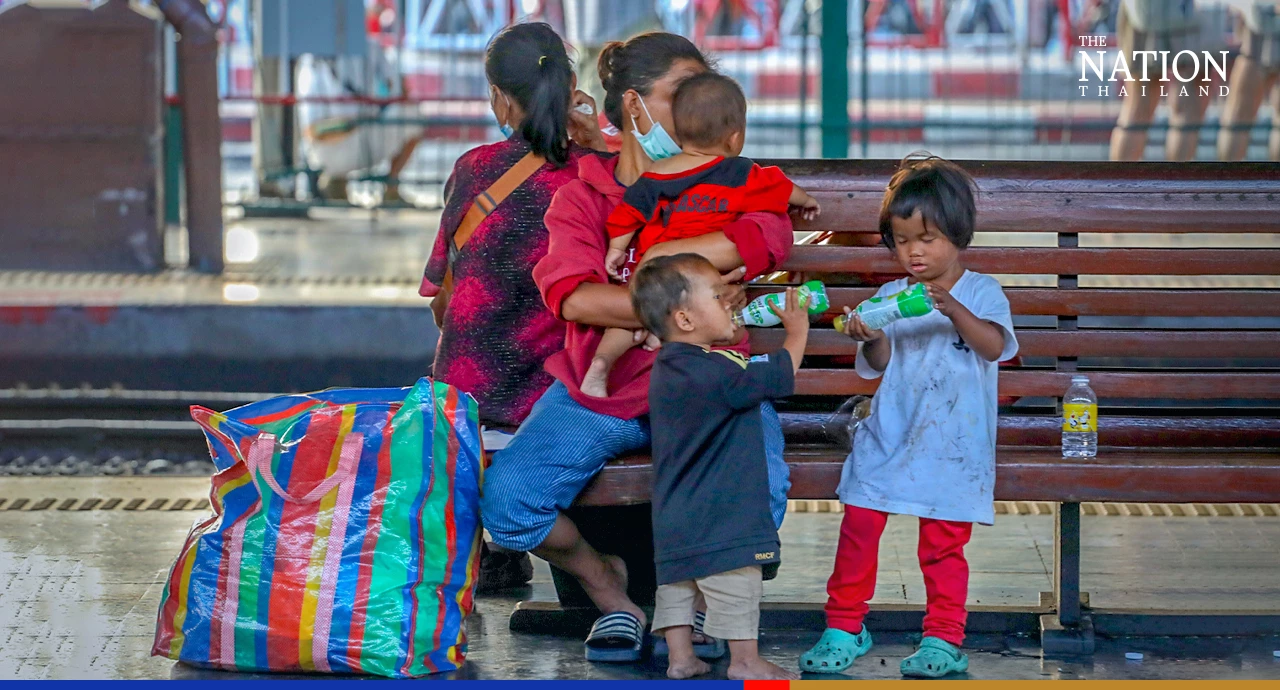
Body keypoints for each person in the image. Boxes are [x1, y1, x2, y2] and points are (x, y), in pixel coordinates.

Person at [479, 31, 795, 664]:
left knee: (765, 486)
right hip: (601, 392)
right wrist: (690, 299)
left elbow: (766, 241)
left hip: (713, 384)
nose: (701, 107)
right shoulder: (582, 195)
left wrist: (648, 269)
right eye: (681, 94)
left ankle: (704, 612)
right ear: (634, 107)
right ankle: (612, 593)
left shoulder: (737, 182)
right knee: (508, 501)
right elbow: (572, 298)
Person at [798, 154, 1019, 678]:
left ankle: (943, 637)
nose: (913, 252)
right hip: (890, 433)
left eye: (927, 238)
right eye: (901, 241)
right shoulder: (889, 298)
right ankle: (845, 626)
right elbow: (878, 367)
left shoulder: (982, 292)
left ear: (959, 235)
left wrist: (954, 309)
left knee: (942, 544)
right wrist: (871, 336)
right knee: (859, 527)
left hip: (952, 443)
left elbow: (994, 348)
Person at [418, 22, 604, 592]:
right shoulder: (603, 172)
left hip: (476, 397)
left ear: (499, 96)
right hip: (568, 392)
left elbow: (442, 299)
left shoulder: (474, 169)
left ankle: (487, 555)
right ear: (573, 85)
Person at [577, 72, 820, 398]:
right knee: (700, 307)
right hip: (704, 272)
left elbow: (630, 213)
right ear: (734, 139)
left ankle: (602, 363)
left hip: (659, 266)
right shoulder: (742, 172)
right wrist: (807, 202)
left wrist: (617, 249)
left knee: (633, 316)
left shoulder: (658, 173)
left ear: (678, 134)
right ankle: (658, 333)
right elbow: (784, 189)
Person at [636, 254, 808, 681]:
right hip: (722, 511)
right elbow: (775, 375)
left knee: (677, 584)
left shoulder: (671, 367)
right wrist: (797, 331)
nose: (729, 301)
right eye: (716, 296)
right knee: (737, 581)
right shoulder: (715, 372)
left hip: (676, 509)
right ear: (686, 320)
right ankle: (745, 661)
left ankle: (680, 658)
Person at [1109, 0, 1230, 161]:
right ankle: (1176, 183)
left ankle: (1119, 183)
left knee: (1139, 108)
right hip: (1187, 10)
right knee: (1186, 108)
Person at [1218, 0, 1280, 161]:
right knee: (1238, 117)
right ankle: (1227, 181)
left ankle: (1227, 182)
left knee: (1238, 116)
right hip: (1260, 17)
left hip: (1262, 18)